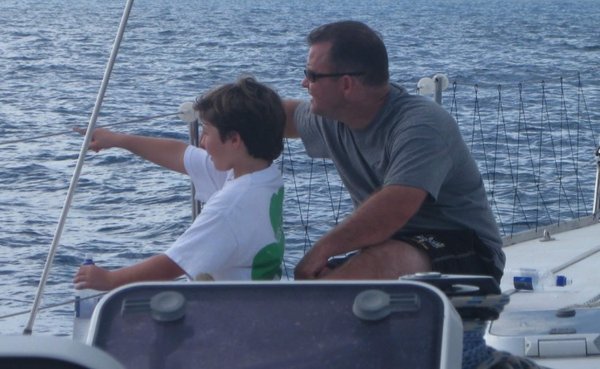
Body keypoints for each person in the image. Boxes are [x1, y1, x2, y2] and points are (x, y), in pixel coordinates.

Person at [284, 20, 505, 282]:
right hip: (393, 243)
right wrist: (228, 108)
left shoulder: (421, 125)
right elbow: (275, 116)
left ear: (346, 85)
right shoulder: (334, 118)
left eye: (312, 76)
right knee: (332, 280)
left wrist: (320, 250)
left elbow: (396, 206)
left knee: (376, 266)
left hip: (466, 248)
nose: (304, 83)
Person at [73, 76, 286, 291]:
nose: (201, 143)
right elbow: (180, 154)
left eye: (206, 132)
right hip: (259, 303)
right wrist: (118, 140)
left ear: (234, 140)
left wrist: (110, 280)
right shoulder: (262, 174)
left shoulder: (230, 206)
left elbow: (173, 264)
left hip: (230, 314)